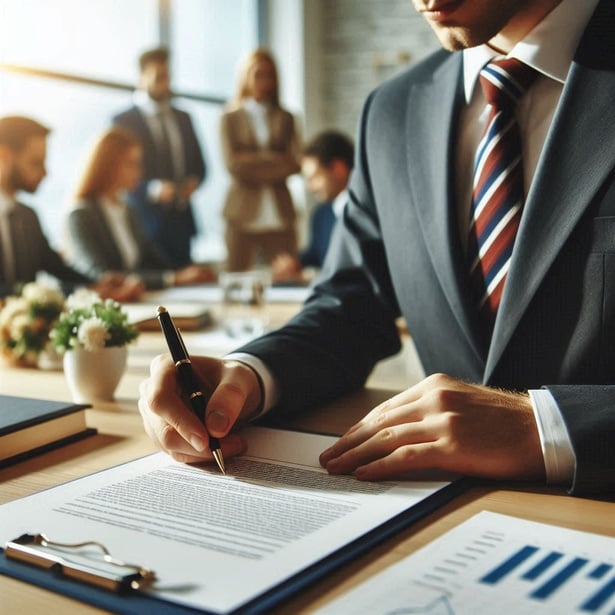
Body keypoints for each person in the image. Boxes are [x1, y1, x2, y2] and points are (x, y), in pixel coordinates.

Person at [139, 0, 615, 497]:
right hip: (433, 516)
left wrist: (546, 428)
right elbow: (351, 308)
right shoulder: (392, 112)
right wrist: (248, 375)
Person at [0, 115, 141, 301]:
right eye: (36, 162)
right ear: (4, 156)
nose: (45, 172)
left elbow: (57, 268)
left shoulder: (27, 217)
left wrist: (99, 283)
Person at [67, 127, 216, 290]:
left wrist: (186, 272)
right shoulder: (81, 214)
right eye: (131, 164)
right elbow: (100, 274)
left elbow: (152, 259)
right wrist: (172, 278)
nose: (139, 172)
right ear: (108, 165)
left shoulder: (129, 210)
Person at [112, 47, 206, 267]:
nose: (165, 83)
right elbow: (116, 172)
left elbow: (200, 166)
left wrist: (194, 182)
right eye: (158, 77)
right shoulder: (123, 121)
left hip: (181, 222)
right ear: (141, 77)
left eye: (167, 76)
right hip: (145, 221)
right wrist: (152, 189)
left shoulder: (183, 117)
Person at [220, 48, 301, 272]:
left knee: (287, 276)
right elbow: (234, 166)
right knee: (235, 278)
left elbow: (295, 163)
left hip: (279, 214)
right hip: (241, 213)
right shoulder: (229, 118)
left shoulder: (286, 118)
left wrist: (253, 160)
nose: (263, 81)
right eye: (257, 74)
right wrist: (276, 160)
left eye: (269, 75)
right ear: (245, 76)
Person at [271, 130, 354, 284]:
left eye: (315, 177)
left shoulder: (370, 211)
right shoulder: (322, 214)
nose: (310, 188)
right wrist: (295, 263)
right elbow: (316, 255)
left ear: (338, 169)